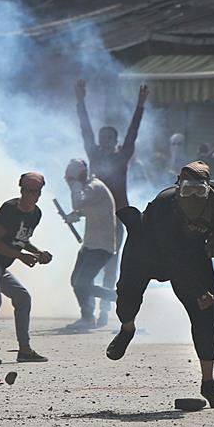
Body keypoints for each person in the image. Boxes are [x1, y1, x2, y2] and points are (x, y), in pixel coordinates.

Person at [106, 162, 214, 409]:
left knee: (207, 314)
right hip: (146, 251)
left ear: (209, 189)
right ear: (178, 188)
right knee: (127, 299)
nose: (194, 196)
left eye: (200, 191)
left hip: (192, 252)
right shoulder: (165, 205)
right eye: (187, 191)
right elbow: (172, 260)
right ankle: (127, 328)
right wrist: (197, 290)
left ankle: (208, 382)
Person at [76, 80, 148, 326]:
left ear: (115, 141)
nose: (103, 141)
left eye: (108, 138)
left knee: (111, 263)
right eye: (101, 138)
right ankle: (90, 307)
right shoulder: (94, 154)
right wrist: (80, 102)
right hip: (96, 218)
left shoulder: (122, 156)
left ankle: (105, 310)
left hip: (117, 216)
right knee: (90, 259)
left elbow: (133, 132)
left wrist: (140, 105)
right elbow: (85, 129)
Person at [0, 172, 52, 365]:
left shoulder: (36, 214)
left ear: (40, 194)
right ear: (21, 190)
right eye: (28, 191)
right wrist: (21, 256)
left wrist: (39, 253)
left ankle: (24, 350)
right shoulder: (9, 209)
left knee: (23, 297)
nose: (31, 196)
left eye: (35, 192)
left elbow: (20, 239)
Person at [62, 159, 118, 330]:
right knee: (76, 282)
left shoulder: (95, 187)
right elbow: (85, 209)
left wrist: (75, 186)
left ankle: (113, 300)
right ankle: (91, 313)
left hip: (101, 246)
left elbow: (79, 202)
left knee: (82, 284)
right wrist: (75, 216)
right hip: (90, 245)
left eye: (71, 180)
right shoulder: (90, 189)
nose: (70, 184)